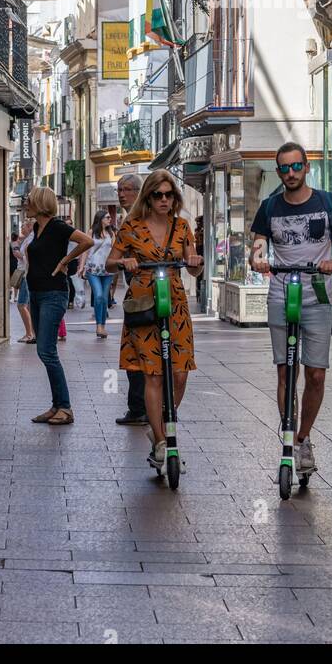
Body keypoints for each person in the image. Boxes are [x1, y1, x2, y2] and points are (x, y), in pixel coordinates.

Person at [250, 142, 332, 479]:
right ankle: (287, 438)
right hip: (281, 293)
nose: (291, 173)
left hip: (317, 294)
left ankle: (303, 437)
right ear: (278, 171)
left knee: (316, 374)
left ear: (306, 167)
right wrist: (258, 259)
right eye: (285, 168)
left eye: (297, 167)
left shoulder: (328, 202)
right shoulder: (269, 207)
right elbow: (257, 247)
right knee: (285, 371)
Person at [111, 171, 203, 469]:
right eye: (158, 195)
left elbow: (194, 269)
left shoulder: (182, 227)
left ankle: (160, 422)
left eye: (169, 195)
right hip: (144, 304)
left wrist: (196, 263)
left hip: (175, 303)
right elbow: (110, 262)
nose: (164, 200)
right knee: (152, 374)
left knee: (179, 373)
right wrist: (124, 260)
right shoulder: (132, 227)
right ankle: (163, 442)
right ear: (148, 197)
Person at [24, 185, 93, 424]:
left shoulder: (58, 226)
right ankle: (56, 406)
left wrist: (66, 260)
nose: (25, 204)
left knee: (47, 351)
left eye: (29, 200)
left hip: (54, 294)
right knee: (44, 351)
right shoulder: (36, 227)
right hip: (36, 293)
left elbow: (87, 241)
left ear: (40, 203)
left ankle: (65, 407)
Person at [113, 174, 147, 425]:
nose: (121, 194)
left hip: (155, 293)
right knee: (134, 352)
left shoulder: (145, 219)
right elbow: (111, 261)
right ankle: (137, 407)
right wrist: (123, 261)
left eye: (126, 189)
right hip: (135, 295)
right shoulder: (127, 224)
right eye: (119, 190)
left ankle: (144, 407)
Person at [81, 210, 117, 340]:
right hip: (93, 270)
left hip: (107, 271)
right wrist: (81, 267)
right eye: (107, 217)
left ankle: (102, 325)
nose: (109, 219)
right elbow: (85, 250)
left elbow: (114, 251)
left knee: (104, 299)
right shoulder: (91, 232)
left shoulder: (111, 233)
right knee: (99, 296)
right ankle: (98, 326)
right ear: (100, 218)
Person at [13, 219, 36, 344]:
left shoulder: (31, 239)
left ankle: (29, 333)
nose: (21, 229)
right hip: (26, 274)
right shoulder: (28, 239)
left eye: (23, 226)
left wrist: (20, 256)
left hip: (27, 275)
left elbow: (29, 258)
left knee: (22, 304)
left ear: (29, 227)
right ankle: (31, 332)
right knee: (27, 305)